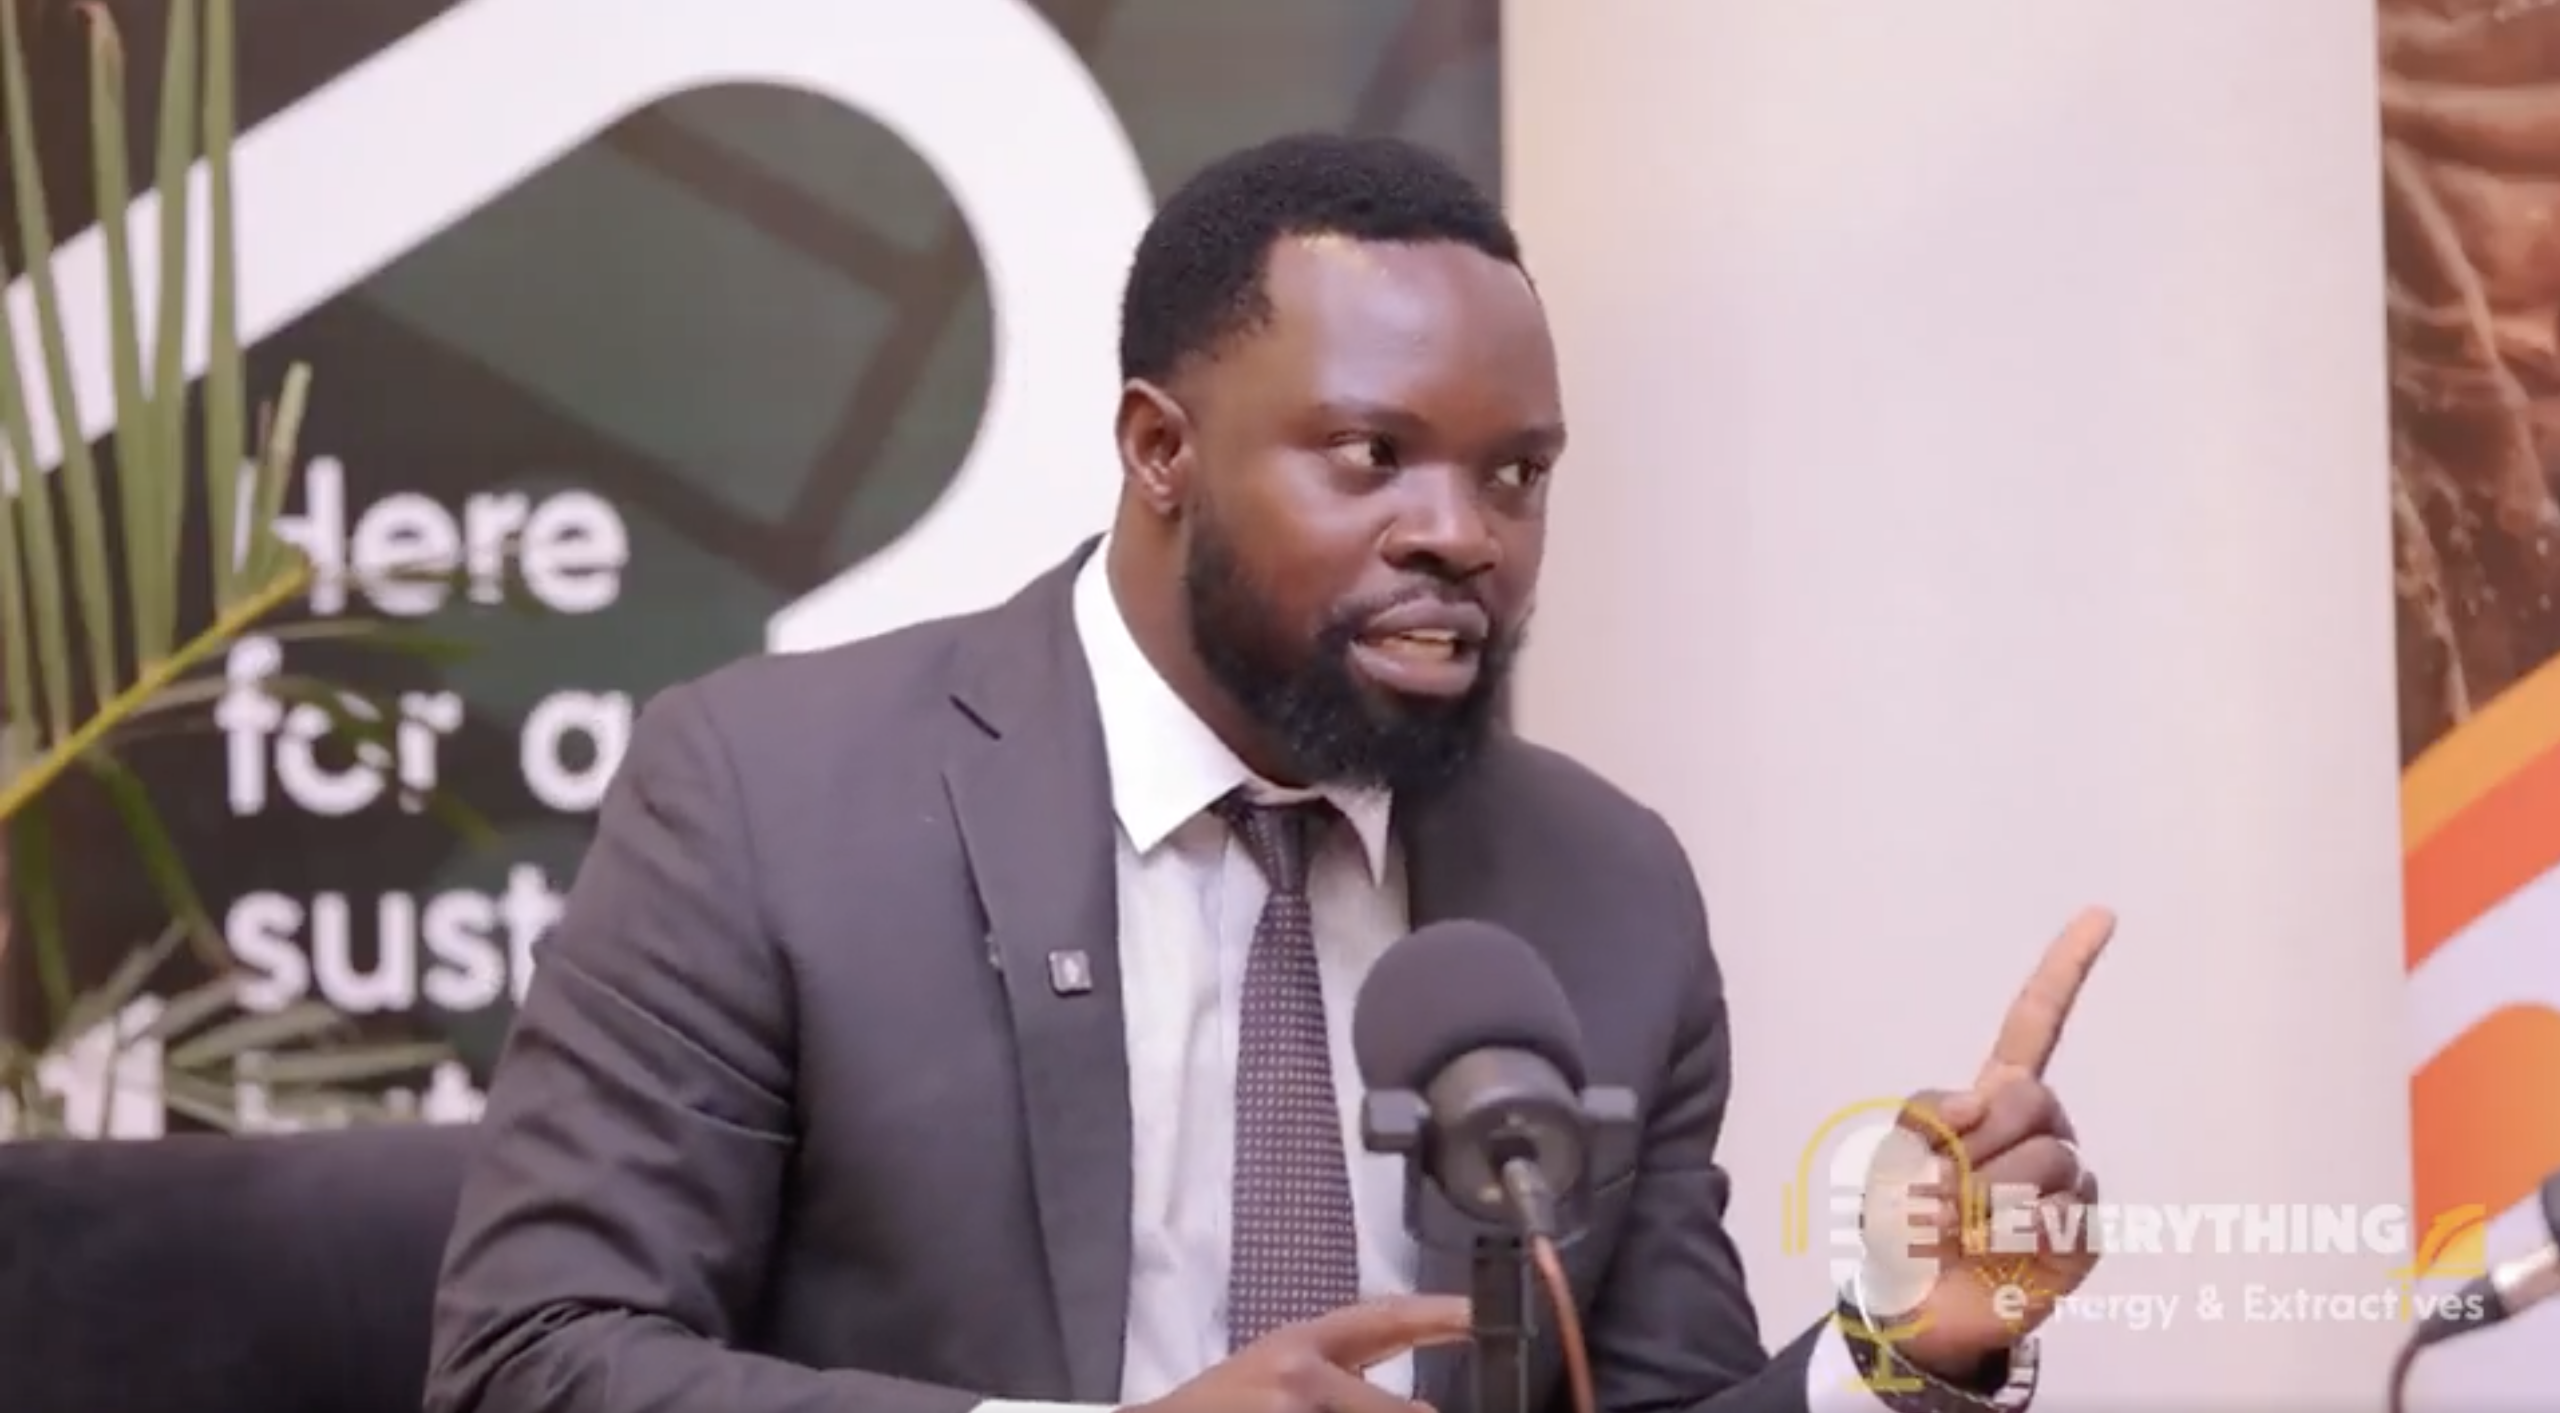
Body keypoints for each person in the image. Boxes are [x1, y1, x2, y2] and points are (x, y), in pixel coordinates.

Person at [423, 132, 2111, 1413]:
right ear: (1160, 448)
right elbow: (535, 1361)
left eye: (1516, 476)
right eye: (1375, 456)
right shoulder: (773, 796)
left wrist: (1907, 1349)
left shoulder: (1605, 887)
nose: (1462, 535)